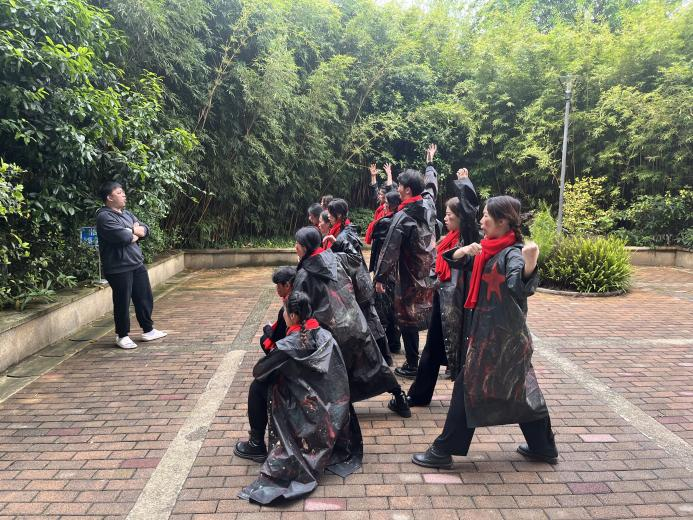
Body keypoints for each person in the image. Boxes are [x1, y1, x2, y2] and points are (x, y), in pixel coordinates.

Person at [412, 196, 558, 469]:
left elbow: (519, 286)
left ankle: (443, 450)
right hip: (499, 337)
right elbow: (454, 261)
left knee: (467, 388)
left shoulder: (512, 254)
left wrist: (530, 264)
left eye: (487, 215)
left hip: (500, 339)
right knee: (521, 389)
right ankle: (543, 446)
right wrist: (463, 251)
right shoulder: (487, 250)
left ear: (503, 221)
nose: (481, 220)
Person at [238, 291, 360, 504]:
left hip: (303, 406)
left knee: (257, 387)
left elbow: (260, 371)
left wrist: (269, 342)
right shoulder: (326, 336)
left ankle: (256, 443)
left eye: (285, 313)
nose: (284, 316)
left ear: (293, 316)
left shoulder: (289, 345)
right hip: (331, 407)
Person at [292, 226, 410, 416]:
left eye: (297, 244)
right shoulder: (336, 259)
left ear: (305, 247)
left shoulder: (303, 274)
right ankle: (399, 397)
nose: (295, 247)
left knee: (336, 371)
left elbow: (298, 306)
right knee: (374, 363)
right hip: (354, 323)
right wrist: (339, 242)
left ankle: (340, 412)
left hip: (328, 331)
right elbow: (356, 258)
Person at [405, 168, 479, 407]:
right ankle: (420, 395)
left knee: (453, 350)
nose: (445, 219)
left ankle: (461, 401)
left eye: (449, 215)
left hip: (457, 303)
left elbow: (471, 213)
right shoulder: (447, 239)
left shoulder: (466, 238)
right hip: (443, 299)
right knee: (434, 348)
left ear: (460, 217)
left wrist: (464, 184)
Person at [374, 144, 439, 379]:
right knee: (424, 312)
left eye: (400, 186)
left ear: (408, 190)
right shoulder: (428, 204)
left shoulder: (402, 217)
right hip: (429, 271)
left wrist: (380, 278)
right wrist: (430, 164)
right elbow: (431, 186)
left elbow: (390, 250)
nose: (397, 189)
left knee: (408, 317)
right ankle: (422, 359)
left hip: (409, 274)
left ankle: (412, 364)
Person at [96, 181, 167, 350]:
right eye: (119, 193)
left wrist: (132, 231)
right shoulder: (104, 217)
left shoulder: (126, 214)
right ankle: (122, 335)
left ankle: (148, 330)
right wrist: (133, 231)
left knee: (144, 297)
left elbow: (145, 230)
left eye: (123, 192)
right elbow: (123, 237)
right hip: (118, 267)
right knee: (122, 301)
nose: (124, 195)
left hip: (136, 263)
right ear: (109, 197)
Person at [325, 198, 392, 366]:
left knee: (370, 321)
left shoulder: (344, 234)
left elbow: (351, 260)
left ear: (338, 215)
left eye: (330, 214)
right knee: (369, 320)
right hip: (356, 282)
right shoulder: (343, 229)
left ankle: (382, 358)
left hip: (357, 284)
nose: (328, 217)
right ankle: (380, 357)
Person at [370, 190, 402, 356]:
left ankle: (383, 346)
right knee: (394, 306)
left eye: (386, 203)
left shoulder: (385, 222)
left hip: (385, 268)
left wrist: (378, 273)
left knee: (382, 306)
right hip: (397, 269)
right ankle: (394, 343)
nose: (383, 205)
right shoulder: (402, 219)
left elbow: (378, 248)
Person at [364, 163, 396, 245]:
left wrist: (389, 175)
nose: (379, 196)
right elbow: (375, 191)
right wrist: (373, 176)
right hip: (378, 238)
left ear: (386, 197)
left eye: (381, 194)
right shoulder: (381, 207)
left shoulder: (391, 208)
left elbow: (391, 190)